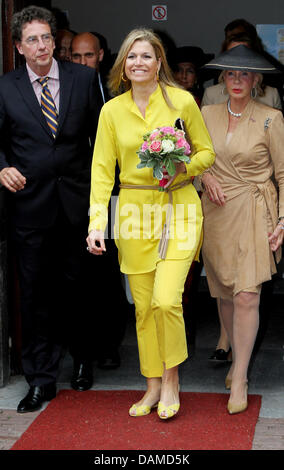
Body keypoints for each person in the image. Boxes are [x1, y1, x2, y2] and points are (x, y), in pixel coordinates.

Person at [86, 27, 215, 420]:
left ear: (160, 63)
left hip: (178, 209)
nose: (138, 62)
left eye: (146, 56)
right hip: (132, 213)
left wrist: (181, 169)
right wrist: (96, 224)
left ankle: (172, 380)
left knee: (165, 300)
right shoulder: (111, 110)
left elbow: (207, 153)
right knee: (143, 309)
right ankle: (152, 385)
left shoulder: (181, 102)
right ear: (123, 65)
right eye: (131, 56)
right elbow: (102, 172)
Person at [0, 6, 101, 412]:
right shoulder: (6, 87)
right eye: (32, 40)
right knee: (36, 296)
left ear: (54, 41)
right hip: (30, 208)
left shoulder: (83, 78)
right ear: (18, 47)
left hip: (77, 204)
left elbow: (102, 138)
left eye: (46, 38)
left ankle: (82, 361)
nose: (41, 47)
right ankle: (41, 379)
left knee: (80, 289)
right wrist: (3, 166)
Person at [200, 45, 284, 414]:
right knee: (225, 293)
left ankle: (241, 373)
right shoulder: (205, 113)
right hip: (216, 212)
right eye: (231, 74)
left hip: (254, 210)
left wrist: (283, 220)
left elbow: (283, 174)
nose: (237, 80)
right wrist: (204, 175)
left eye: (244, 74)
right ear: (223, 78)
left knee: (248, 294)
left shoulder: (270, 118)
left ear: (255, 80)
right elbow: (191, 157)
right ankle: (234, 355)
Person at [71, 31, 129, 370]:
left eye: (88, 56)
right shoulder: (64, 91)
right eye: (75, 57)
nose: (82, 63)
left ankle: (110, 344)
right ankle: (84, 349)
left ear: (101, 55)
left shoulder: (117, 91)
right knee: (83, 275)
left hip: (118, 196)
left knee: (111, 273)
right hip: (78, 196)